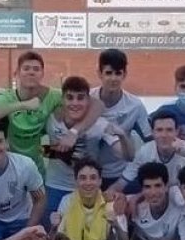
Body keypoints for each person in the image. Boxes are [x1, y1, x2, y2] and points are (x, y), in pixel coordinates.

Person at [0, 50, 102, 174]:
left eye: (36, 69)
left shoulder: (53, 96)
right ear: (16, 73)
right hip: (11, 167)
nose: (31, 72)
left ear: (42, 74)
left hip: (37, 167)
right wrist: (23, 105)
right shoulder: (7, 98)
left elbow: (98, 104)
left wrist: (74, 132)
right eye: (26, 68)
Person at [43, 76, 129, 217]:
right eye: (70, 98)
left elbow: (124, 154)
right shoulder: (51, 119)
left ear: (88, 100)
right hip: (56, 185)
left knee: (90, 234)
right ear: (62, 100)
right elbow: (37, 148)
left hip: (88, 187)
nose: (75, 103)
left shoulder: (99, 124)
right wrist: (59, 153)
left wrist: (123, 137)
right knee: (53, 232)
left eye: (80, 98)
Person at [107, 111, 185, 195]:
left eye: (169, 130)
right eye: (159, 130)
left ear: (177, 131)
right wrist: (107, 196)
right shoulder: (145, 151)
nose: (164, 135)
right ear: (153, 133)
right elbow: (122, 182)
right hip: (157, 199)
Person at [92, 49, 151, 190]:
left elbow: (151, 141)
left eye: (118, 73)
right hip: (91, 176)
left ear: (124, 74)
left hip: (122, 174)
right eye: (108, 73)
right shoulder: (87, 99)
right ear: (99, 73)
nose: (113, 78)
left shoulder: (135, 105)